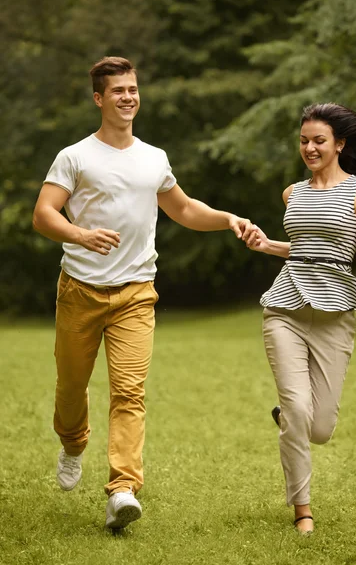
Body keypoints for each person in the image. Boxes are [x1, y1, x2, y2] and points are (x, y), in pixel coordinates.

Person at [32, 56, 253, 530]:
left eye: (133, 89)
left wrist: (228, 218)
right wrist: (80, 234)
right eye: (118, 91)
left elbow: (186, 209)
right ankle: (73, 443)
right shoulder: (75, 156)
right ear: (98, 98)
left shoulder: (154, 158)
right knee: (71, 389)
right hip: (80, 291)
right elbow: (44, 214)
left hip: (135, 292)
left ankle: (123, 489)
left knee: (129, 392)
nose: (128, 97)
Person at [244, 103, 356, 535]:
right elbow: (304, 247)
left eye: (318, 140)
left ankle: (291, 418)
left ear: (339, 144)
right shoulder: (293, 192)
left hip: (334, 314)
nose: (309, 148)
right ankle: (302, 510)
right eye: (304, 140)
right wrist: (268, 245)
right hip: (285, 308)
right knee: (297, 407)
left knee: (319, 427)